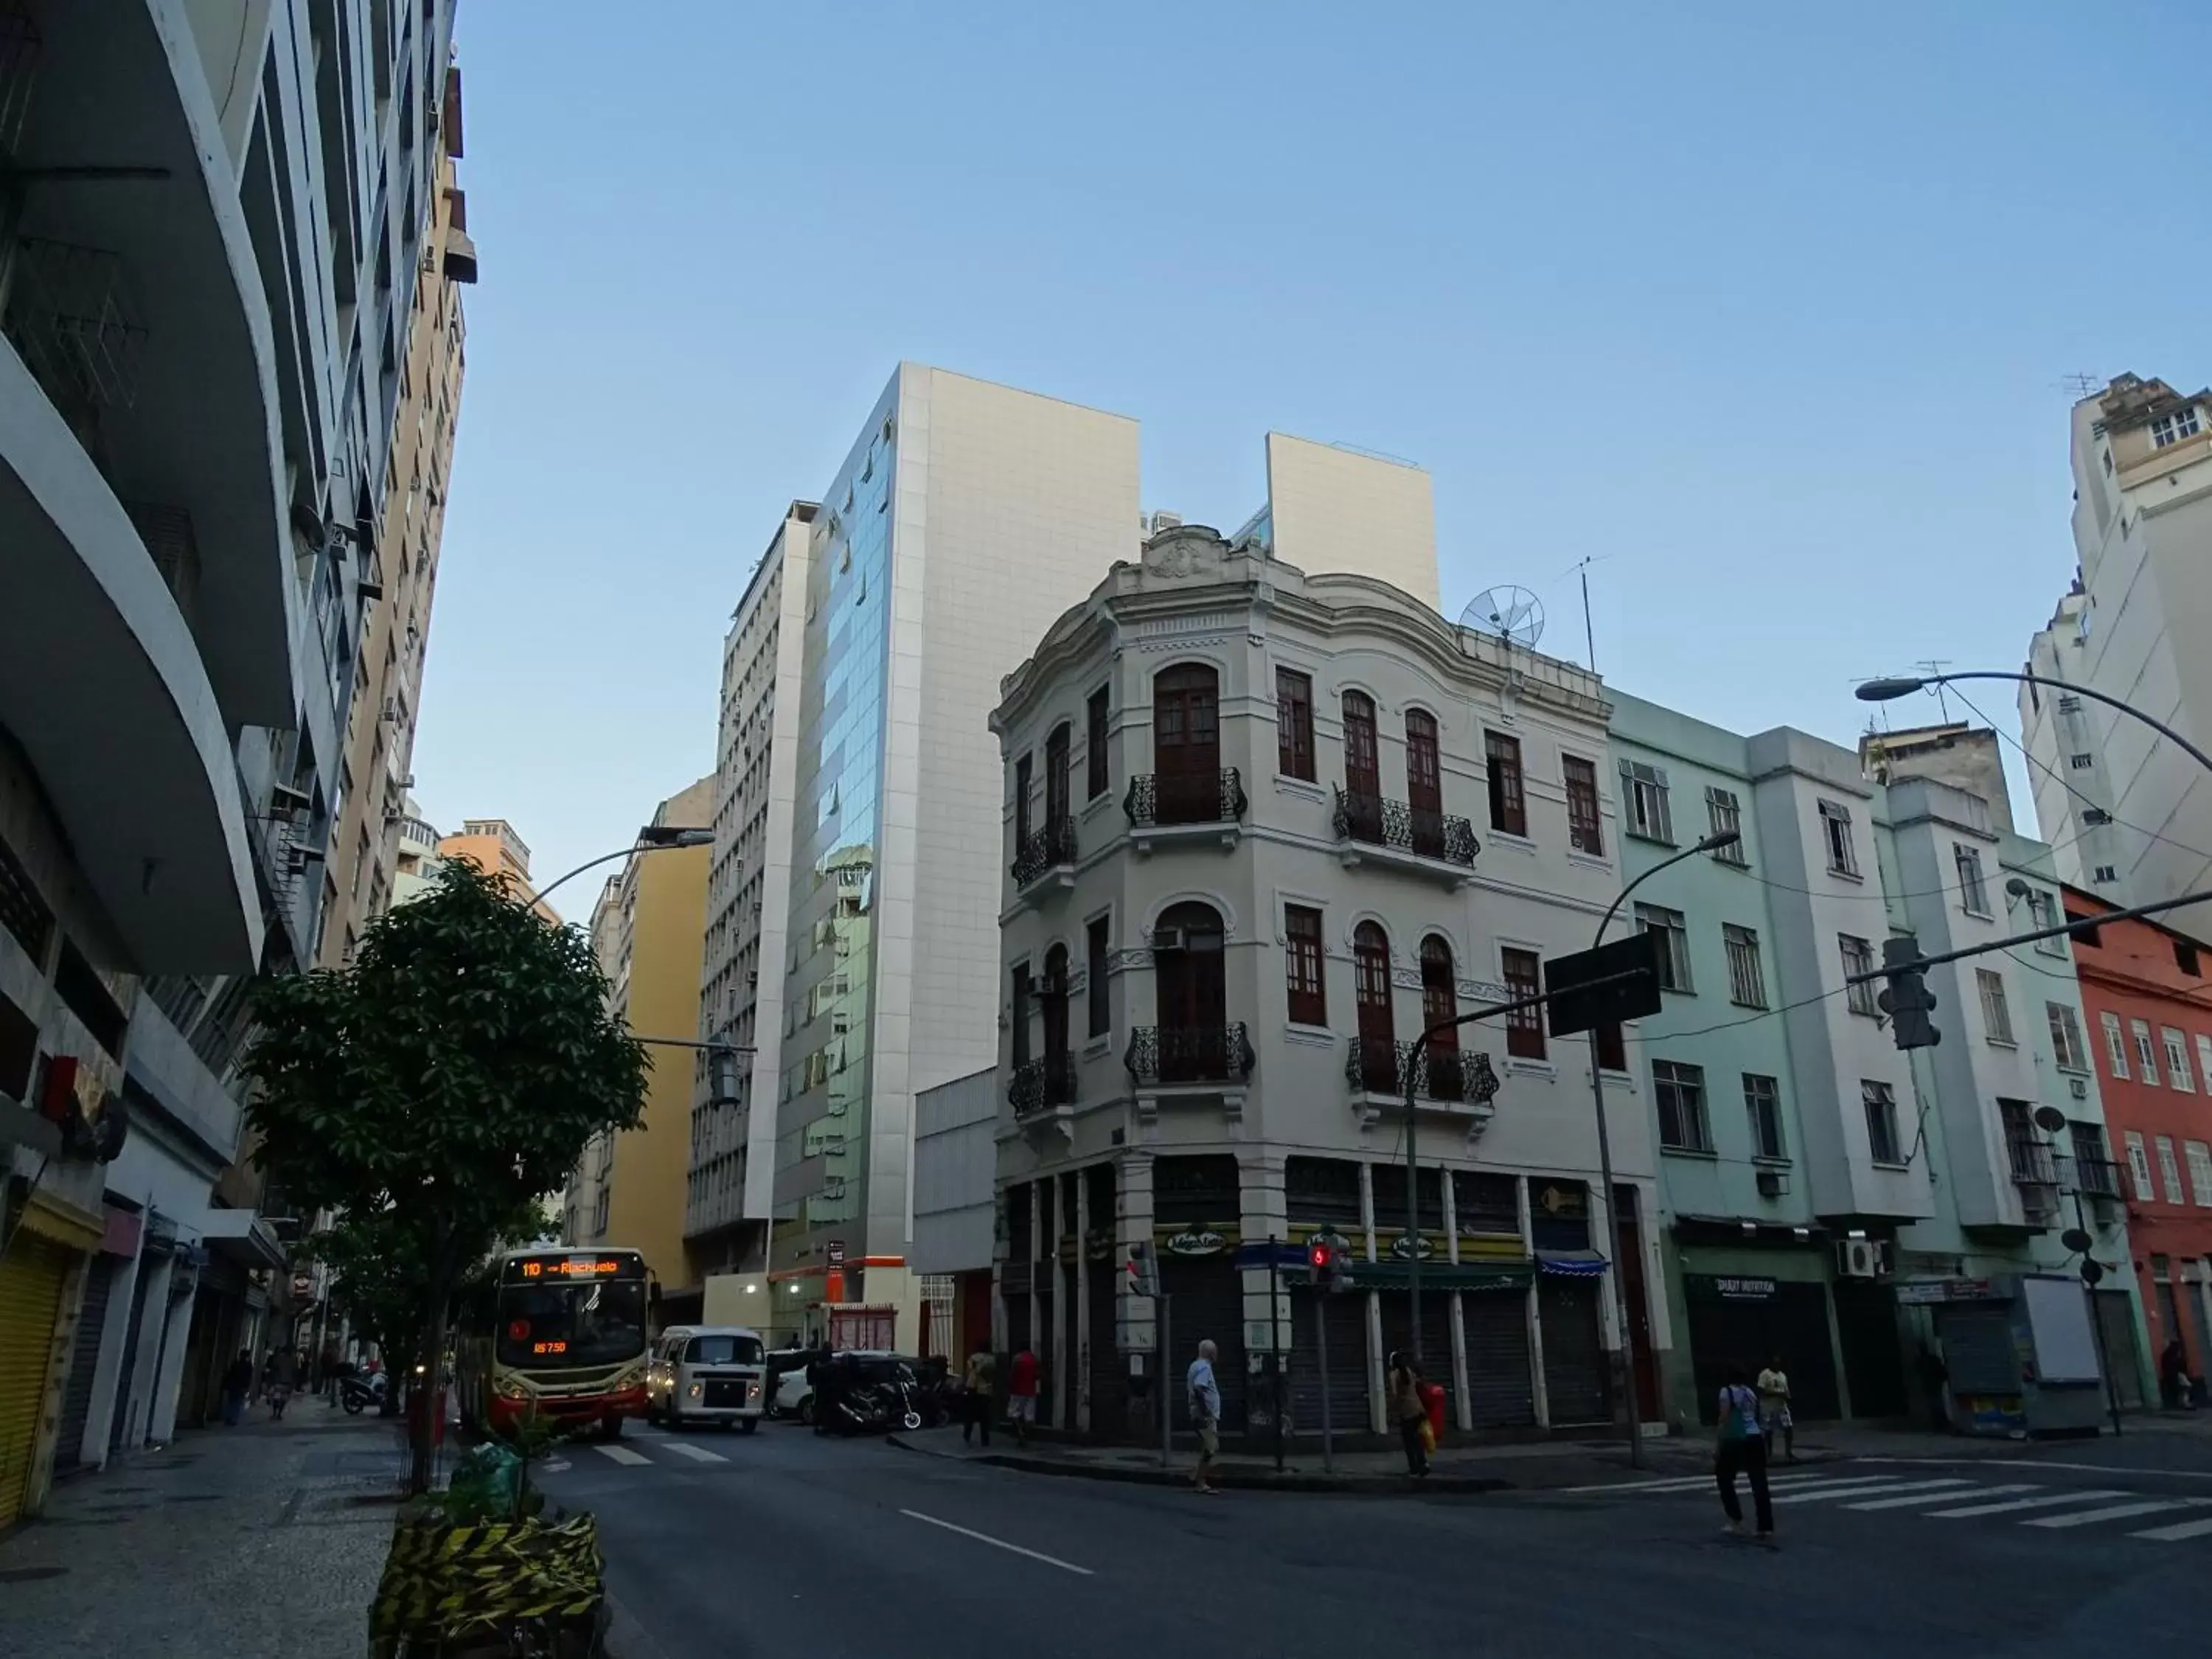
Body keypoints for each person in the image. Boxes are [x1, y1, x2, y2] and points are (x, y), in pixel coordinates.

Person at [1716, 1363, 1776, 1547]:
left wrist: (1719, 1443)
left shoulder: (1727, 1393)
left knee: (1724, 1478)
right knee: (1759, 1483)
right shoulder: (1751, 1393)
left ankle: (1736, 1520)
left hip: (1735, 1440)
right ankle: (1765, 1526)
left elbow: (1724, 1418)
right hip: (1754, 1438)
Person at [1186, 1338, 1222, 1495]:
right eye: (1215, 1352)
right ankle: (1200, 1482)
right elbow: (1199, 1389)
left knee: (1210, 1445)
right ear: (1210, 1353)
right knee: (1211, 1447)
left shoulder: (1195, 1365)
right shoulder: (1204, 1368)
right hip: (1203, 1415)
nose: (1217, 1355)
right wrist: (1206, 1412)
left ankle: (1196, 1475)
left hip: (1198, 1413)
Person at [1388, 1350, 1428, 1478]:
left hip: (1406, 1412)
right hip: (1418, 1409)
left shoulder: (1394, 1375)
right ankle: (1423, 1463)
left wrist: (1393, 1409)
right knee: (1417, 1439)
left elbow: (1395, 1395)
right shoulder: (1409, 1372)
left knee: (1408, 1441)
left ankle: (1414, 1468)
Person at [1756, 1355, 1795, 1461]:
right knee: (1768, 1431)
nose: (1777, 1365)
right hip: (1768, 1407)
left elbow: (1786, 1390)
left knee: (1788, 1428)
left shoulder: (1782, 1376)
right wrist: (1777, 1394)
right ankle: (1769, 1454)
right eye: (1775, 1363)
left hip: (1781, 1406)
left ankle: (1789, 1453)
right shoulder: (1765, 1374)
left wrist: (1788, 1396)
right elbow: (1761, 1391)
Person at [962, 1343, 995, 1447]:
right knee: (985, 1416)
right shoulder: (992, 1359)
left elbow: (969, 1371)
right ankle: (985, 1440)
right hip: (986, 1389)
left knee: (970, 1414)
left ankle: (967, 1434)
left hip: (973, 1388)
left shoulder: (974, 1357)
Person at [1007, 1345, 1040, 1447]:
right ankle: (1026, 1434)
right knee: (1029, 1416)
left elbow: (1012, 1374)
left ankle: (1020, 1432)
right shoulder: (1034, 1359)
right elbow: (1037, 1375)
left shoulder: (1017, 1359)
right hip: (1030, 1391)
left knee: (1014, 1413)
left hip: (1017, 1390)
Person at [220, 1349, 254, 1427]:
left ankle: (228, 1417)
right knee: (237, 1403)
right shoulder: (248, 1365)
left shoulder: (236, 1364)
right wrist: (247, 1387)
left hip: (233, 1385)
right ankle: (233, 1419)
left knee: (231, 1402)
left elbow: (230, 1374)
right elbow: (249, 1378)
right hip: (241, 1386)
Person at [2163, 1336, 2190, 1411]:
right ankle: (2184, 1403)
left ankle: (2182, 1403)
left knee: (2182, 1389)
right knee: (2185, 1388)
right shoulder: (2175, 1354)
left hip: (2173, 1375)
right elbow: (2180, 1364)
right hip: (2178, 1374)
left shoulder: (2167, 1354)